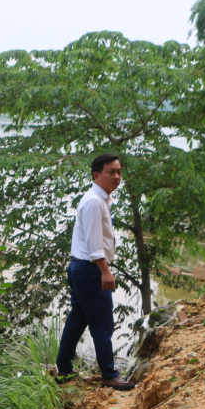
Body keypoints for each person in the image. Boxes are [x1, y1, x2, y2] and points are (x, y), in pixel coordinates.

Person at [55, 154, 135, 391]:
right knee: (103, 324)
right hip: (89, 269)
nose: (117, 177)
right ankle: (109, 374)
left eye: (119, 172)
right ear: (96, 175)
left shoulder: (101, 200)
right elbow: (93, 244)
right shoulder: (93, 202)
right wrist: (105, 272)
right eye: (111, 172)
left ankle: (64, 369)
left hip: (82, 268)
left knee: (78, 319)